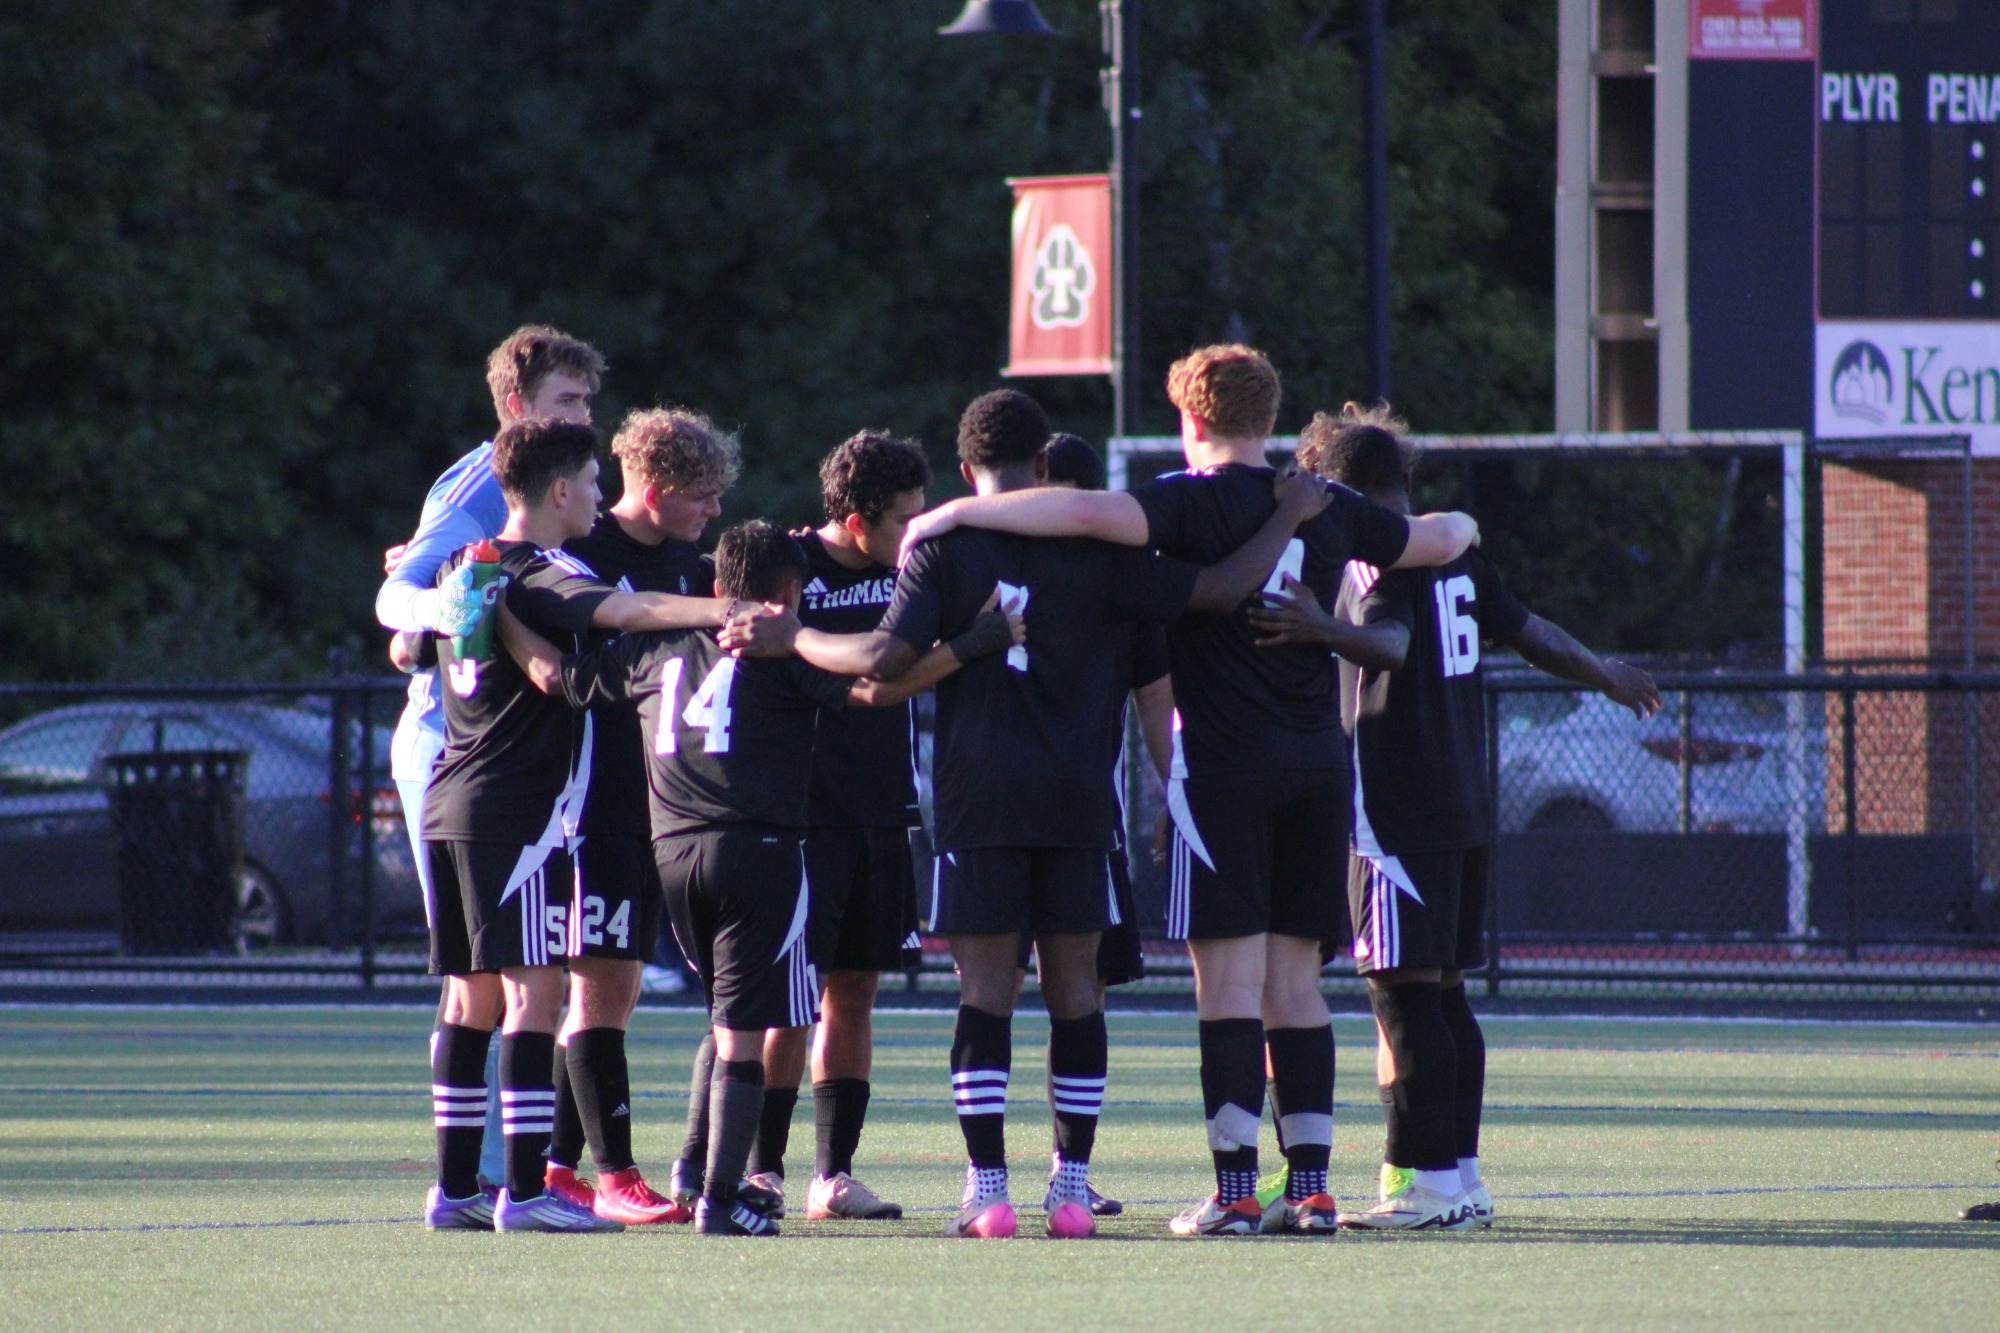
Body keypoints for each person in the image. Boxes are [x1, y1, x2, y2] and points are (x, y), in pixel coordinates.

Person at [896, 348, 1479, 1237]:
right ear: (1269, 412)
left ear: (1191, 419)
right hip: (1320, 765)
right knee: (1298, 986)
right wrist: (1472, 524)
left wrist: (950, 511)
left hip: (1224, 768)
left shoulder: (1184, 497)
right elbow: (1437, 537)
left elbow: (1079, 509)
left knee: (1228, 988)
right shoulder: (1325, 500)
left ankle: (1238, 1191)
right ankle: (1314, 1187)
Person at [738, 388, 1338, 1240]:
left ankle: (988, 1191)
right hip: (1078, 804)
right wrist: (1285, 517)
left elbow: (877, 665)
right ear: (1047, 468)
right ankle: (1071, 1188)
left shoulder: (942, 548)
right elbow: (1219, 588)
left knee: (983, 997)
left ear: (964, 466)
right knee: (1074, 999)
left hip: (981, 804)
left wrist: (791, 633)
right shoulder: (1108, 557)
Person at [500, 519, 1021, 1235]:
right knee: (744, 1031)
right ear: (788, 593)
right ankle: (720, 1197)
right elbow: (874, 687)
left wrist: (499, 615)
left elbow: (554, 676)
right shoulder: (780, 649)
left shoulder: (653, 643)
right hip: (760, 850)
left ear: (714, 588)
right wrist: (971, 645)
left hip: (672, 855)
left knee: (723, 1019)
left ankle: (700, 1173)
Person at [1258, 402, 1659, 1230]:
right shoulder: (1459, 552)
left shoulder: (1380, 562)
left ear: (1340, 489)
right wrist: (1604, 670)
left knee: (1402, 1000)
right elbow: (1533, 632)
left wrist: (1315, 625)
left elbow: (1391, 646)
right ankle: (1463, 1178)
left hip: (1397, 811)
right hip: (1465, 806)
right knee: (1443, 998)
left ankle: (1425, 1182)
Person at [421, 417, 747, 1233]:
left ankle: (455, 1187)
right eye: (593, 483)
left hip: (449, 794)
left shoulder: (469, 564)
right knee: (536, 995)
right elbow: (609, 613)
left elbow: (505, 658)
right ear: (560, 490)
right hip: (517, 810)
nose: (599, 498)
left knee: (468, 1000)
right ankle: (527, 1191)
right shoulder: (542, 566)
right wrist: (723, 607)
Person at [380, 324, 604, 1196]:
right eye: (568, 400)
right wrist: (445, 612)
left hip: (502, 755)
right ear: (517, 405)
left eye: (587, 399)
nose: (584, 415)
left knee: (493, 977)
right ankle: (487, 1180)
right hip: (457, 747)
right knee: (494, 976)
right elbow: (398, 595)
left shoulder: (553, 483)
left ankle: (477, 1181)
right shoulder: (482, 481)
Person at [537, 407, 747, 1226]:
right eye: (700, 495)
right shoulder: (579, 558)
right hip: (594, 799)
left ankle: (560, 1167)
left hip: (663, 802)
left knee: (611, 990)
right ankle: (616, 1172)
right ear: (654, 489)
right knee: (601, 987)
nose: (712, 512)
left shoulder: (694, 563)